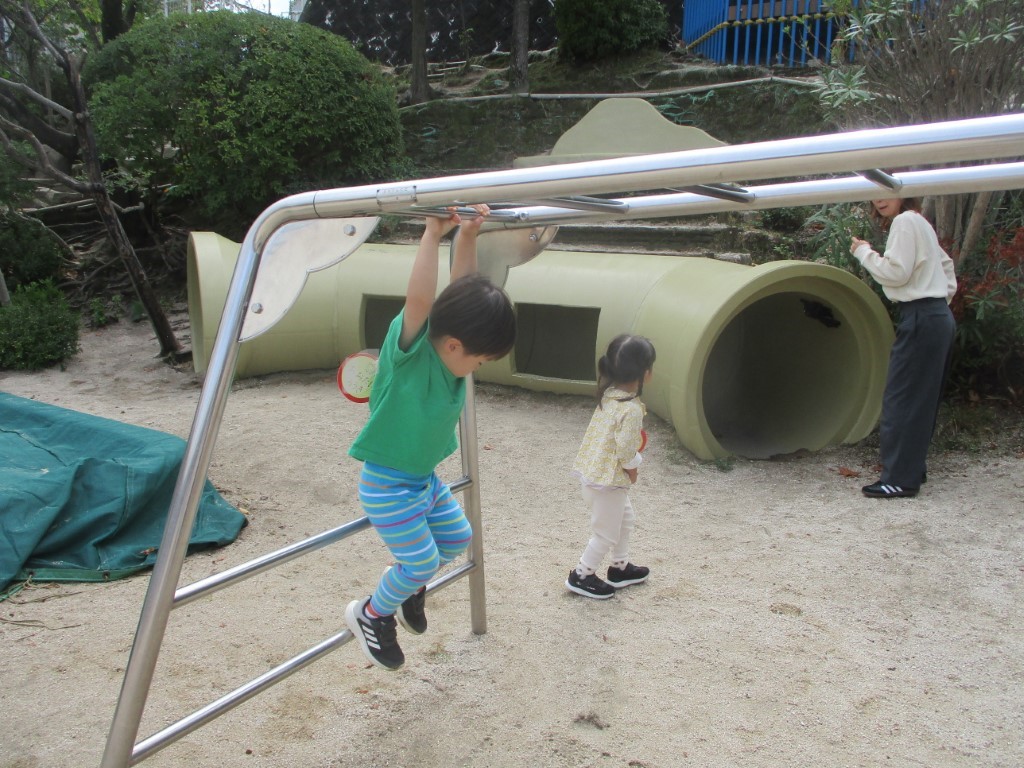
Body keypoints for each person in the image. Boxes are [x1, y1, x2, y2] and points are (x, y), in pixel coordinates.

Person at [345, 205, 516, 670]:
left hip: (423, 481)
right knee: (420, 562)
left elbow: (465, 292)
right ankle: (371, 613)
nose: (477, 369)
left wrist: (468, 236)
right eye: (480, 360)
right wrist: (431, 235)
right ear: (455, 345)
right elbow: (420, 300)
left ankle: (406, 590)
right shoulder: (410, 354)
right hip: (387, 485)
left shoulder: (452, 360)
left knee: (458, 538)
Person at [850, 196, 957, 499]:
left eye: (887, 190)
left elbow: (896, 273)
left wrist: (863, 252)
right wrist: (938, 300)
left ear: (903, 191)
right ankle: (910, 469)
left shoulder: (905, 221)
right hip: (936, 315)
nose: (879, 198)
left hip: (922, 315)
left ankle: (899, 478)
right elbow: (947, 267)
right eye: (875, 192)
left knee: (902, 398)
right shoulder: (920, 221)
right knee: (920, 399)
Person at [566, 333, 657, 599]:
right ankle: (581, 575)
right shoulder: (631, 409)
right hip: (608, 484)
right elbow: (626, 450)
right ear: (645, 373)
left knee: (625, 520)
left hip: (595, 478)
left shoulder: (609, 395)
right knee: (605, 534)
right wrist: (634, 468)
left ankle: (620, 567)